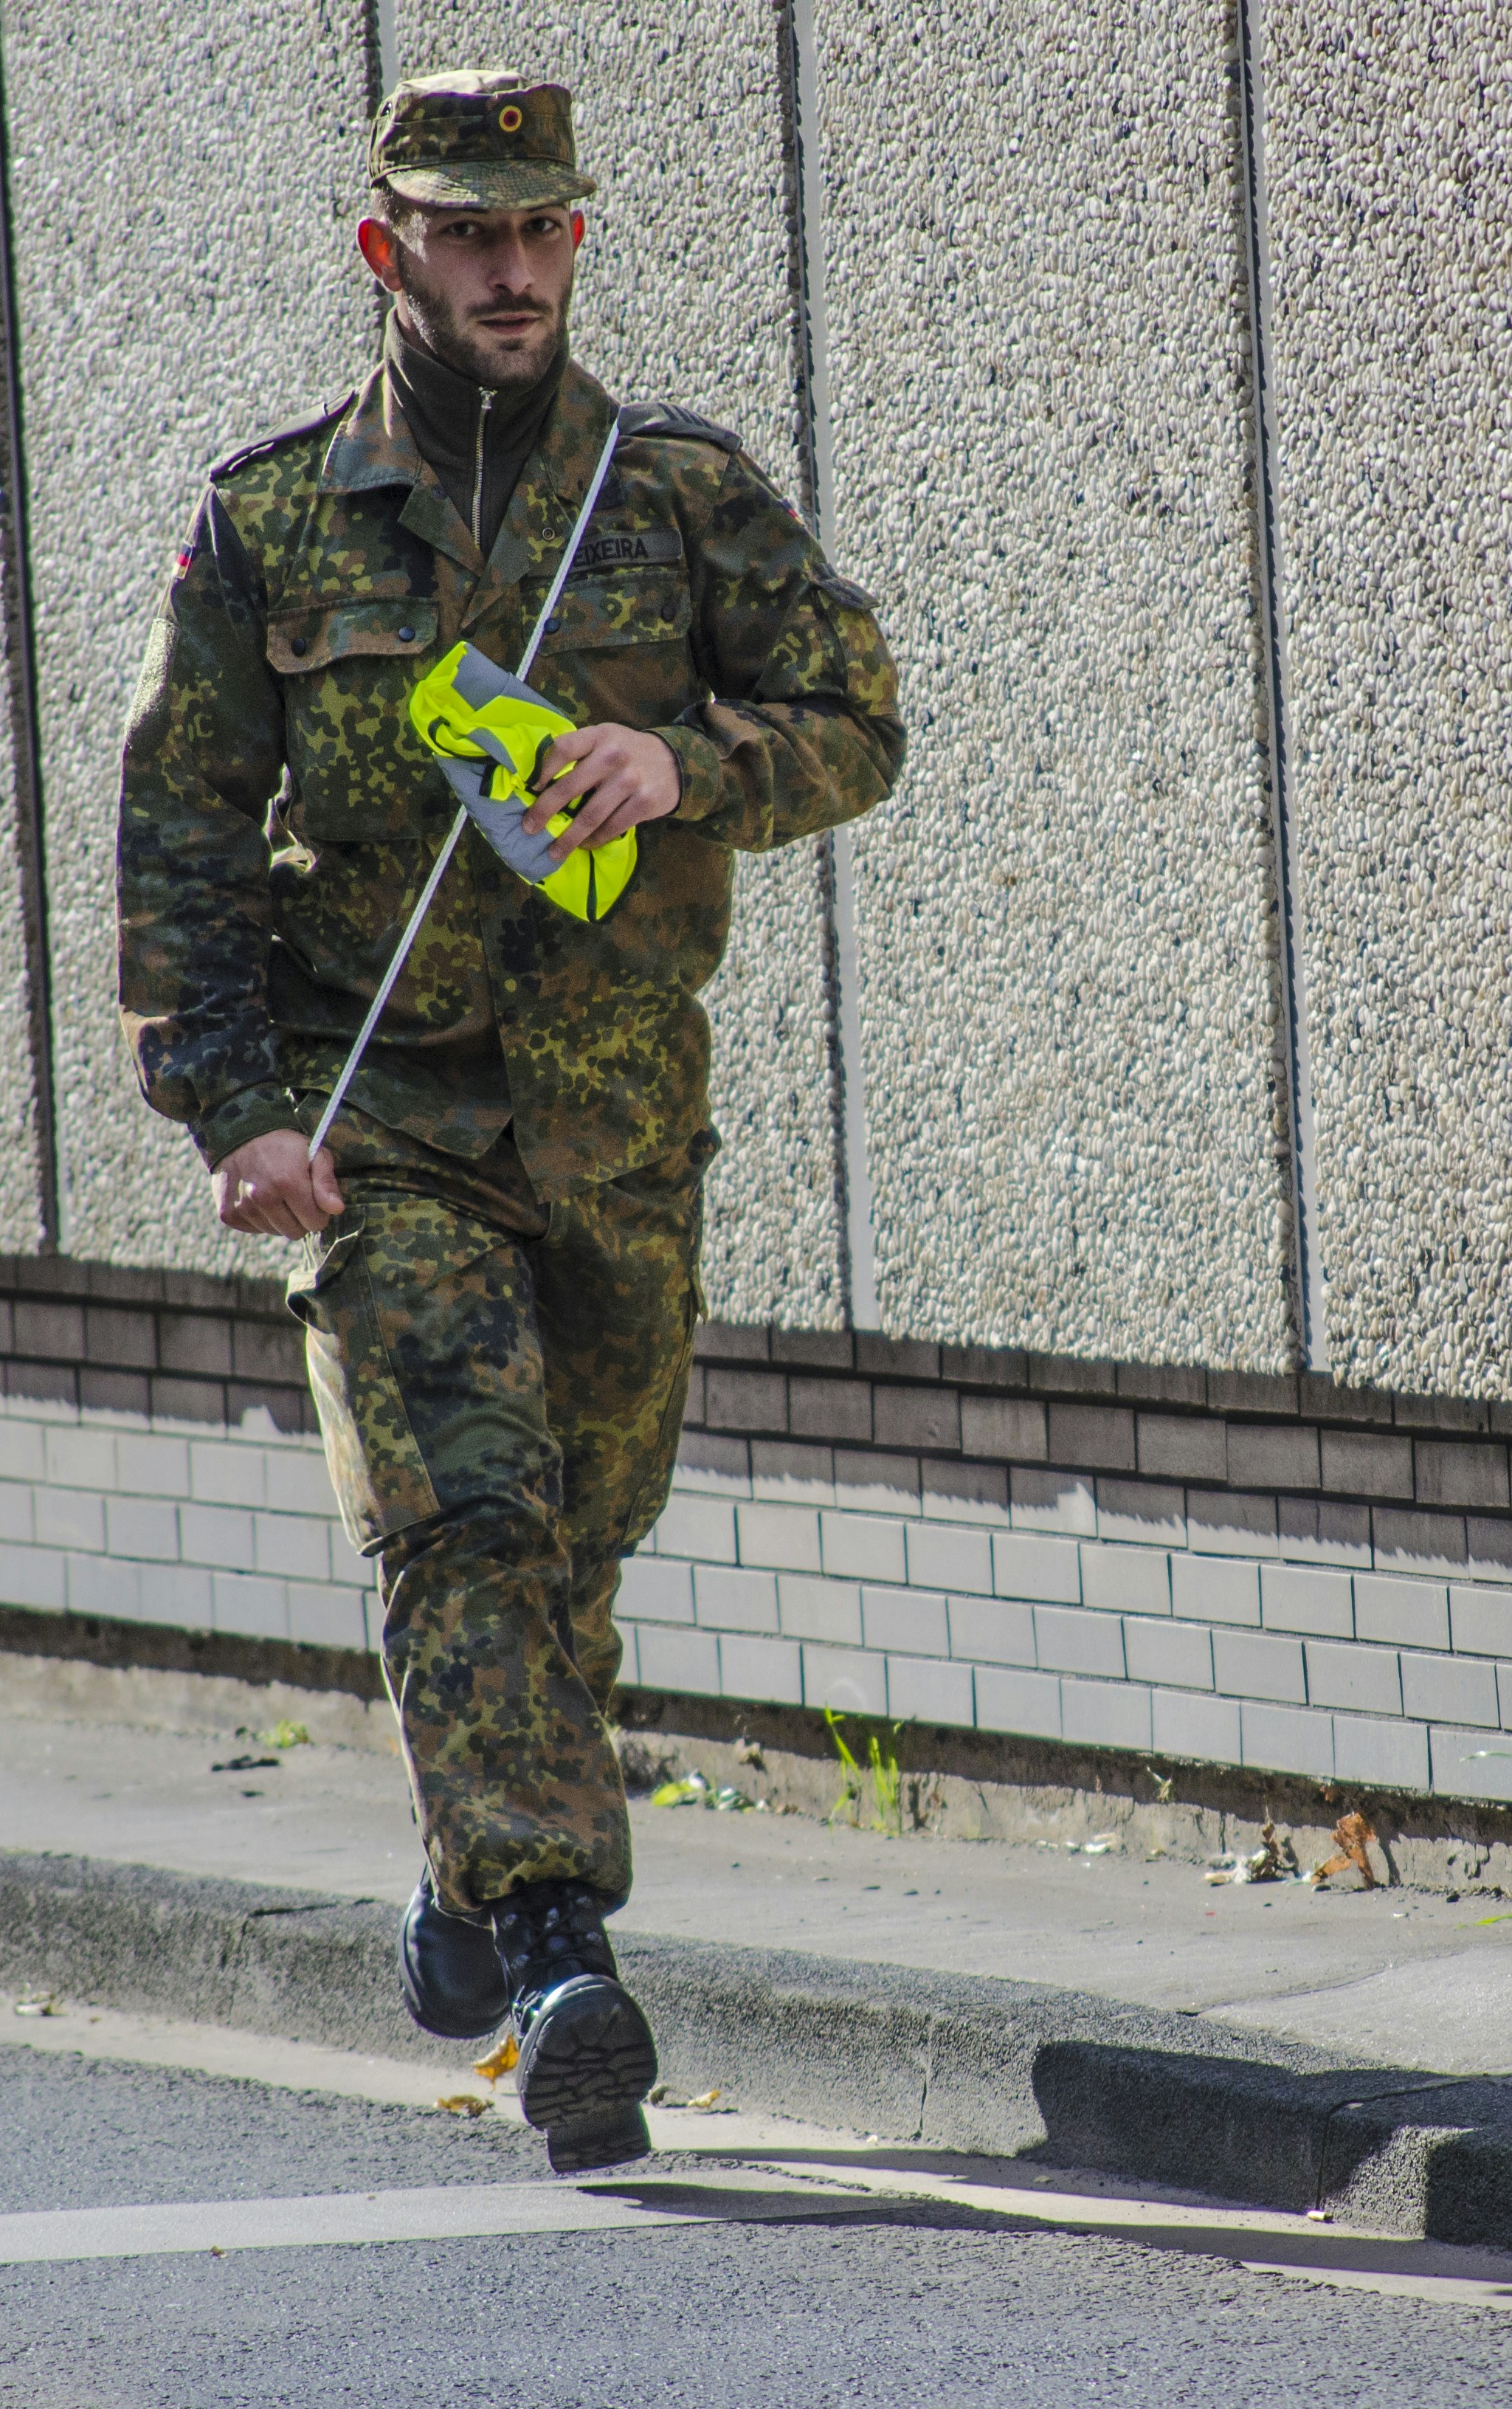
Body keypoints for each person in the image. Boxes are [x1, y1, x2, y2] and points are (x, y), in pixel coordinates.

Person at [117, 69, 901, 2171]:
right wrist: (238, 1117)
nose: (512, 269)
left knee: (573, 1547)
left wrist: (688, 767)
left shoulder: (680, 495)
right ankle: (561, 1954)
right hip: (392, 1143)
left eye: (542, 230)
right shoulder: (277, 522)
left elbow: (858, 717)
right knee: (463, 1519)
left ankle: (469, 1901)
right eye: (470, 235)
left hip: (623, 1131)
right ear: (389, 251)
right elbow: (182, 836)